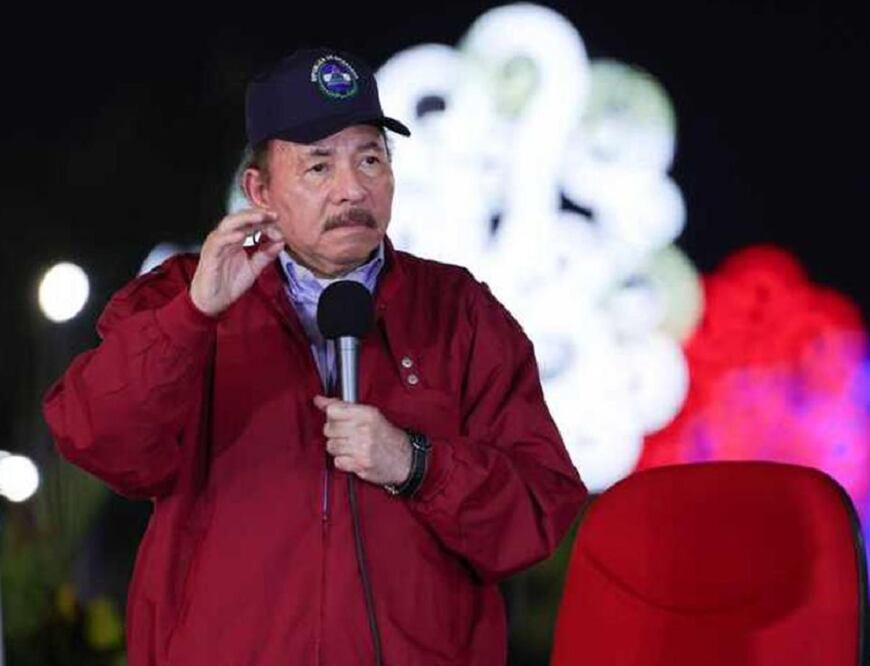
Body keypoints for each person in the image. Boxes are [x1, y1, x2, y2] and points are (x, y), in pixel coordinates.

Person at [43, 47, 588, 665]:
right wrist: (192, 320)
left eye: (371, 159)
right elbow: (97, 440)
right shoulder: (184, 297)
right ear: (260, 189)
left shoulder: (460, 314)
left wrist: (415, 464)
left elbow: (539, 513)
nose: (352, 189)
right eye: (318, 167)